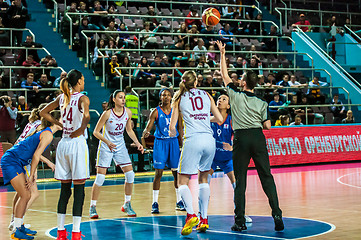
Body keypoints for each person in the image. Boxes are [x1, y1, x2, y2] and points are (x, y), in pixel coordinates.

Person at [216, 40, 284, 232]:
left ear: (244, 82)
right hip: (258, 136)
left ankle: (240, 222)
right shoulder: (262, 102)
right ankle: (277, 214)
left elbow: (224, 74)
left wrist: (222, 54)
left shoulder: (235, 94)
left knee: (241, 180)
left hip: (241, 138)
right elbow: (268, 126)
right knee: (266, 177)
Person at [169, 70, 223, 235]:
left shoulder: (179, 98)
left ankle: (191, 214)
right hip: (209, 140)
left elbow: (172, 127)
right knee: (203, 178)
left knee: (182, 181)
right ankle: (204, 219)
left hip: (193, 140)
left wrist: (172, 134)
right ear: (196, 83)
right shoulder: (207, 95)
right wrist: (203, 118)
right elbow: (220, 119)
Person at [40, 69, 90, 240]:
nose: (84, 82)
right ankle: (76, 232)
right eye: (83, 79)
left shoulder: (62, 97)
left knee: (64, 191)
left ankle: (61, 232)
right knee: (79, 190)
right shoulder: (82, 98)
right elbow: (87, 116)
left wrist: (58, 124)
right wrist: (82, 129)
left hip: (63, 144)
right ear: (79, 82)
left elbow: (43, 112)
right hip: (76, 144)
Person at [1, 111, 61, 240]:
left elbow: (35, 153)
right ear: (56, 120)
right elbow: (35, 156)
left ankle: (19, 225)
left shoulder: (45, 132)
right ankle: (16, 229)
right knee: (26, 194)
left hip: (16, 161)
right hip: (12, 160)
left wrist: (33, 173)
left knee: (26, 193)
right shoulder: (48, 134)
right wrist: (32, 174)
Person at [89, 90, 144, 219]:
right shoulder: (107, 114)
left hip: (120, 146)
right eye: (120, 97)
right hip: (106, 146)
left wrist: (138, 143)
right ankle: (92, 206)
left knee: (130, 174)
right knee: (100, 178)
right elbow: (96, 132)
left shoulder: (128, 112)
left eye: (124, 97)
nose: (123, 100)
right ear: (114, 99)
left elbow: (129, 130)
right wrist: (107, 142)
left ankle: (127, 204)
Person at [208, 94, 252, 223]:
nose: (219, 100)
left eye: (223, 99)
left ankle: (241, 214)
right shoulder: (210, 118)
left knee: (236, 185)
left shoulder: (232, 120)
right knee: (204, 184)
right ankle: (201, 214)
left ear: (228, 106)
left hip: (227, 158)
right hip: (212, 157)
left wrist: (232, 145)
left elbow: (240, 138)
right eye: (218, 99)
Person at [141, 88, 184, 214]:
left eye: (168, 95)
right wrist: (146, 132)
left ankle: (179, 201)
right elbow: (148, 127)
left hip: (173, 142)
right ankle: (155, 203)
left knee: (176, 174)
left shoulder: (176, 111)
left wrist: (182, 143)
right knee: (158, 173)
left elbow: (180, 128)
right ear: (160, 97)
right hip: (160, 143)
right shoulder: (155, 112)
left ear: (171, 97)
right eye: (163, 95)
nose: (166, 97)